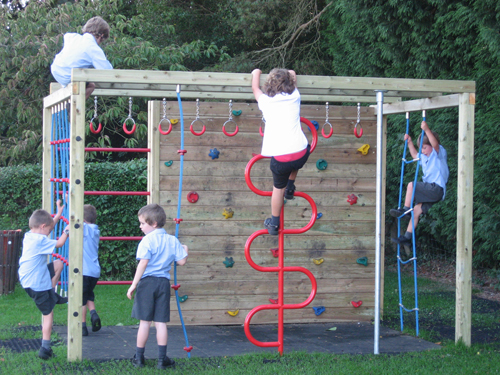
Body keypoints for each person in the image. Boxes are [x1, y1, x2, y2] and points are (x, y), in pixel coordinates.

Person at [127, 204, 188, 369]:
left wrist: (133, 285)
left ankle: (139, 358)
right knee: (161, 323)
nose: (140, 227)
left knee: (145, 322)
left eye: (142, 223)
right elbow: (181, 261)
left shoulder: (147, 241)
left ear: (153, 223)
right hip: (163, 283)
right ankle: (162, 360)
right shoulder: (172, 240)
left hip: (147, 283)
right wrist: (185, 250)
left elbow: (143, 264)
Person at [251, 68, 310, 235]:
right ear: (290, 83)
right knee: (296, 156)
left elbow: (255, 89)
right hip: (302, 153)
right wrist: (285, 73)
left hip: (281, 159)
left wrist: (256, 72)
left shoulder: (265, 101)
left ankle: (274, 223)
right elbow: (292, 73)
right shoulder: (295, 96)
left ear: (268, 85)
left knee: (277, 188)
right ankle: (290, 187)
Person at [18, 200, 69, 360]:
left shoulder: (30, 235)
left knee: (58, 264)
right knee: (48, 314)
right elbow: (60, 243)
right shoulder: (40, 240)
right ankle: (45, 347)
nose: (49, 232)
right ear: (42, 227)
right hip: (35, 283)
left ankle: (52, 294)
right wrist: (67, 231)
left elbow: (47, 225)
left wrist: (59, 214)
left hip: (30, 276)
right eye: (48, 229)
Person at [390, 120, 449, 246]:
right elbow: (415, 155)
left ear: (432, 146)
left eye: (425, 147)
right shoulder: (425, 157)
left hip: (436, 188)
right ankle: (407, 237)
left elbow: (435, 144)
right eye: (421, 147)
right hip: (432, 191)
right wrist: (410, 143)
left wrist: (427, 129)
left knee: (412, 185)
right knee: (416, 211)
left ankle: (404, 210)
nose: (422, 150)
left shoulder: (438, 153)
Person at [51, 16, 113, 100]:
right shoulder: (93, 48)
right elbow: (107, 71)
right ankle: (74, 104)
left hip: (56, 69)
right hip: (69, 75)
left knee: (80, 79)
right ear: (101, 36)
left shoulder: (72, 37)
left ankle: (70, 102)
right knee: (91, 86)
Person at [81, 204, 101, 336]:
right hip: (94, 271)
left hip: (84, 271)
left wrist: (69, 202)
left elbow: (74, 219)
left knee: (80, 299)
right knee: (88, 294)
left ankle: (82, 325)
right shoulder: (95, 230)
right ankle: (93, 314)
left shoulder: (84, 229)